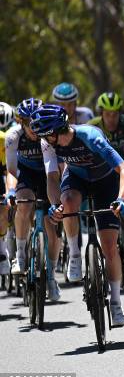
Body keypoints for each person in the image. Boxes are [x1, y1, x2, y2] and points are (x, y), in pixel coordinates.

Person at [32, 104, 124, 326]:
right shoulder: (47, 142)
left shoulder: (90, 136)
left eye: (46, 135)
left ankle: (115, 303)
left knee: (109, 248)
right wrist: (56, 205)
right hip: (77, 178)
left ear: (58, 130)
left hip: (106, 181)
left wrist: (121, 199)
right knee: (67, 202)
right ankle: (75, 255)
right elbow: (51, 177)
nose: (44, 139)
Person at [6, 98, 62, 299]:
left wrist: (56, 200)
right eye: (28, 123)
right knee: (23, 205)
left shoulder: (46, 136)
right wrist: (11, 192)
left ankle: (52, 277)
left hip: (48, 175)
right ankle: (20, 255)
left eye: (34, 121)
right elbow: (11, 171)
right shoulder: (13, 137)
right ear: (21, 122)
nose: (32, 127)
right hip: (26, 175)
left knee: (53, 228)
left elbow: (51, 171)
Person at [89, 92, 124, 243]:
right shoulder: (93, 126)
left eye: (115, 114)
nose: (111, 119)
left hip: (120, 169)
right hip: (100, 171)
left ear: (120, 113)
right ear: (101, 113)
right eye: (107, 114)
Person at [0, 102, 14, 275]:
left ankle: (2, 250)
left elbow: (7, 171)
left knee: (4, 208)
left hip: (1, 173)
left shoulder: (3, 138)